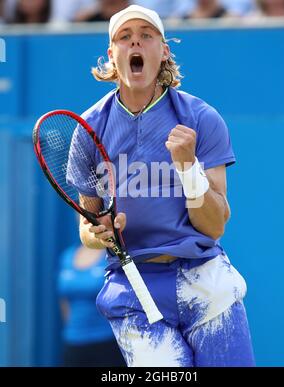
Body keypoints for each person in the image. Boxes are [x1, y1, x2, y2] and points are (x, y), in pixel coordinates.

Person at [68, 4, 255, 367]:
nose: (135, 42)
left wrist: (187, 168)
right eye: (125, 37)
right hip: (134, 287)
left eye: (146, 35)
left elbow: (215, 225)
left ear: (163, 50)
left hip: (205, 281)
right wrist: (99, 234)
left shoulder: (201, 118)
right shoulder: (88, 130)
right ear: (112, 54)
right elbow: (87, 228)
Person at [57, 243, 125, 367]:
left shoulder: (112, 254)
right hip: (73, 343)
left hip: (107, 343)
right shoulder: (67, 256)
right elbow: (64, 300)